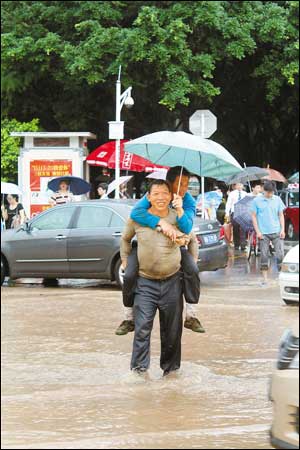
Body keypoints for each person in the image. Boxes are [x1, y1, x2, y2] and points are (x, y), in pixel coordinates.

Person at [116, 166, 204, 336]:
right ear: (170, 183)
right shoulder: (156, 193)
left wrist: (179, 210)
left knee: (192, 270)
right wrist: (161, 223)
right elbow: (136, 214)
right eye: (180, 184)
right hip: (145, 245)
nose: (184, 188)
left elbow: (187, 229)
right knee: (128, 276)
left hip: (175, 246)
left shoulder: (188, 202)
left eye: (187, 184)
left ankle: (191, 315)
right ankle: (128, 318)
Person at [121, 179, 189, 376]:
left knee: (172, 331)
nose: (160, 197)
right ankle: (139, 371)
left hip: (172, 281)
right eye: (156, 194)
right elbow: (125, 239)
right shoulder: (138, 218)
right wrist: (125, 260)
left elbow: (189, 235)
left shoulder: (177, 217)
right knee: (142, 328)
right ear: (148, 197)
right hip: (145, 282)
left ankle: (171, 371)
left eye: (164, 193)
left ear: (170, 196)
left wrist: (191, 255)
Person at [251, 181, 285, 285]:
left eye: (272, 192)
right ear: (263, 190)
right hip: (263, 233)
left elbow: (280, 215)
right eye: (268, 192)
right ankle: (265, 279)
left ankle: (281, 277)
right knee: (264, 255)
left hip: (276, 231)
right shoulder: (256, 201)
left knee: (280, 254)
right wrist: (258, 232)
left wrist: (282, 229)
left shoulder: (277, 199)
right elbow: (253, 216)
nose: (270, 194)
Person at [225, 183, 247, 250]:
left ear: (243, 186)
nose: (240, 186)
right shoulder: (232, 194)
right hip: (234, 212)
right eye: (238, 185)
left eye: (241, 185)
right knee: (235, 228)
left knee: (243, 229)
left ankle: (243, 245)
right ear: (235, 186)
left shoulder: (245, 194)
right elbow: (228, 204)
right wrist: (227, 213)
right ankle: (237, 244)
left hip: (243, 212)